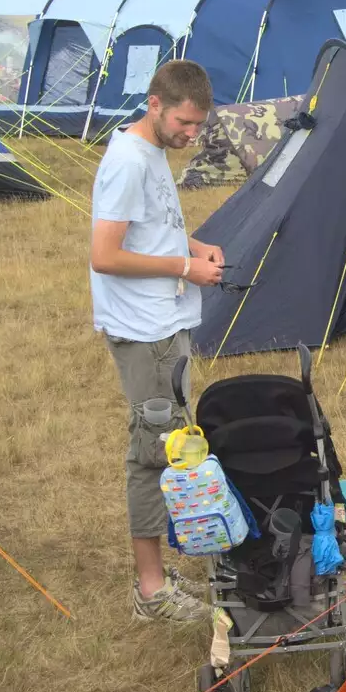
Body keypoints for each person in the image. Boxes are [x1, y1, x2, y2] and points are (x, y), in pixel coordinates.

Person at [90, 59, 224, 621]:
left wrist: (193, 247)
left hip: (165, 325)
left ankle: (159, 572)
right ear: (154, 104)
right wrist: (182, 267)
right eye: (185, 124)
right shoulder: (127, 161)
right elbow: (105, 255)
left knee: (174, 445)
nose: (191, 135)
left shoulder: (153, 152)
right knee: (151, 456)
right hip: (143, 333)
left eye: (197, 126)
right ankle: (151, 592)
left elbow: (153, 226)